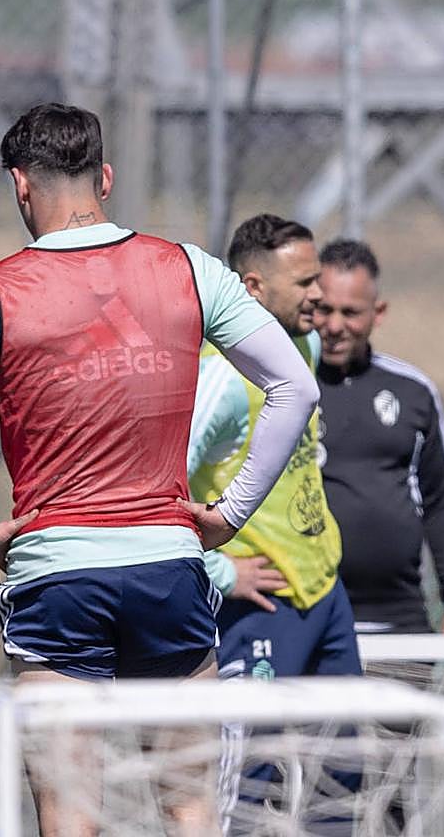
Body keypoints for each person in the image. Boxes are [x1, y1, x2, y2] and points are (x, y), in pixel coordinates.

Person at [0, 103, 319, 836]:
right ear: (106, 178)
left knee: (70, 819)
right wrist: (230, 514)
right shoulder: (189, 268)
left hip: (56, 578)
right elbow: (297, 387)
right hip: (168, 570)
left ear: (20, 186)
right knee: (190, 809)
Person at [188, 214, 361, 682]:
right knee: (256, 755)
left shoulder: (305, 345)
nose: (320, 295)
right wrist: (220, 571)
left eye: (318, 280)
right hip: (259, 601)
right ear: (253, 287)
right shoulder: (221, 378)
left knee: (348, 753)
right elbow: (153, 491)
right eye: (304, 282)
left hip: (323, 591)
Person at [315, 238, 444, 637]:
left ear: (377, 313)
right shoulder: (285, 385)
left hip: (399, 616)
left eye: (350, 313)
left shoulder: (413, 391)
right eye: (324, 309)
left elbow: (440, 498)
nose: (334, 326)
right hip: (308, 613)